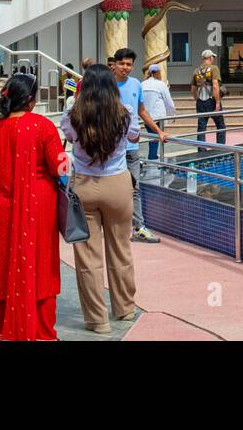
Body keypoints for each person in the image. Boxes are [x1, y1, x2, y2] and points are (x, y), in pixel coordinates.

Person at [0, 72, 67, 341]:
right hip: (39, 208)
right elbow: (60, 168)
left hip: (0, 208)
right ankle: (42, 332)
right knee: (41, 266)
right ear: (31, 101)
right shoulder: (43, 127)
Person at [62, 63, 140, 334]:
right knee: (121, 249)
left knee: (87, 257)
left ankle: (98, 320)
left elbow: (69, 138)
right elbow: (135, 136)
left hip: (84, 185)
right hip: (118, 184)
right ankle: (125, 308)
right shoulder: (125, 114)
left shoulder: (73, 115)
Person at [110, 47, 162, 244]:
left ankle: (139, 228)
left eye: (129, 64)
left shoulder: (136, 84)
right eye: (122, 63)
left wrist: (158, 131)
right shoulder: (106, 85)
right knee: (112, 188)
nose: (125, 67)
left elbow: (141, 110)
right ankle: (113, 228)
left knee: (135, 188)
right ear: (114, 64)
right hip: (111, 148)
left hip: (131, 148)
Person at [141, 63, 175, 182]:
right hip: (158, 117)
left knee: (153, 138)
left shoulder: (142, 84)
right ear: (158, 73)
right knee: (155, 138)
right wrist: (172, 114)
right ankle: (153, 160)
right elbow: (168, 101)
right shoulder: (161, 85)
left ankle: (153, 158)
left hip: (146, 117)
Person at [192, 49, 225, 145]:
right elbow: (215, 85)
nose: (213, 59)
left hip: (201, 102)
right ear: (210, 58)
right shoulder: (214, 68)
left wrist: (197, 99)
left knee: (201, 127)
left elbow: (193, 89)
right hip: (212, 101)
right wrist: (218, 102)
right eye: (213, 57)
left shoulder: (196, 70)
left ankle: (201, 149)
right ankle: (220, 147)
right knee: (220, 125)